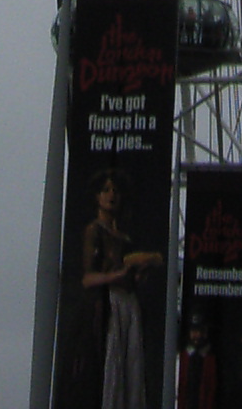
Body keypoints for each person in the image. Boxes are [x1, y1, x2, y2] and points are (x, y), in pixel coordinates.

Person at [78, 168, 160, 409]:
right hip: (109, 303)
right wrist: (116, 276)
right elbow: (87, 278)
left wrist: (139, 273)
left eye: (115, 190)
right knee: (112, 365)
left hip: (129, 302)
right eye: (106, 190)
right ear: (97, 196)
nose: (111, 195)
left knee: (132, 366)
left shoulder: (124, 238)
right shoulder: (94, 231)